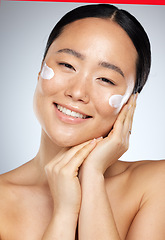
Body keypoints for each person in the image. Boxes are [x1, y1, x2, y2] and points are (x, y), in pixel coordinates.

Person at [0, 3, 164, 240]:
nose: (77, 92)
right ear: (40, 69)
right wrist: (64, 214)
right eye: (67, 65)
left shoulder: (156, 184)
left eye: (106, 79)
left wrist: (93, 176)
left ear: (130, 102)